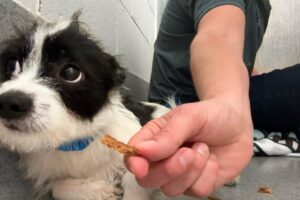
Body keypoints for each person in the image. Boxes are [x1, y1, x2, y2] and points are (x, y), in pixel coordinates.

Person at [125, 0, 300, 198]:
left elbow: (239, 60)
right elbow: (218, 37)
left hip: (207, 97)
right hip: (184, 104)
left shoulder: (262, 6)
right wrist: (228, 104)